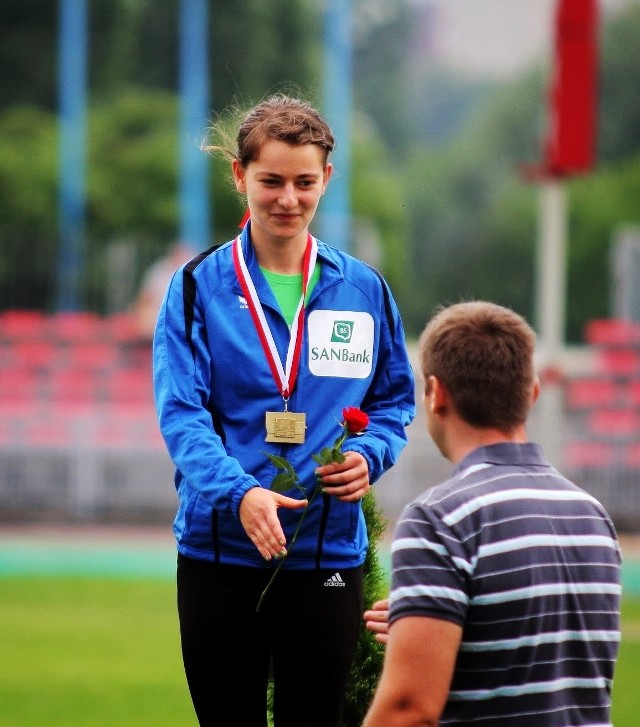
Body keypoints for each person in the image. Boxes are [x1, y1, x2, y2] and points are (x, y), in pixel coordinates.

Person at [153, 94, 415, 727]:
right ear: (241, 177)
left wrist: (366, 455)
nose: (287, 199)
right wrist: (240, 493)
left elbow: (393, 402)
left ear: (327, 178)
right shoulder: (195, 288)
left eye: (304, 182)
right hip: (220, 554)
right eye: (270, 181)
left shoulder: (363, 289)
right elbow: (182, 415)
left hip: (325, 555)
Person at [363, 301, 621, 727]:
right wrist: (431, 625)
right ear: (532, 392)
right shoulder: (592, 515)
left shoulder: (438, 519)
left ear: (435, 392)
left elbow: (408, 710)